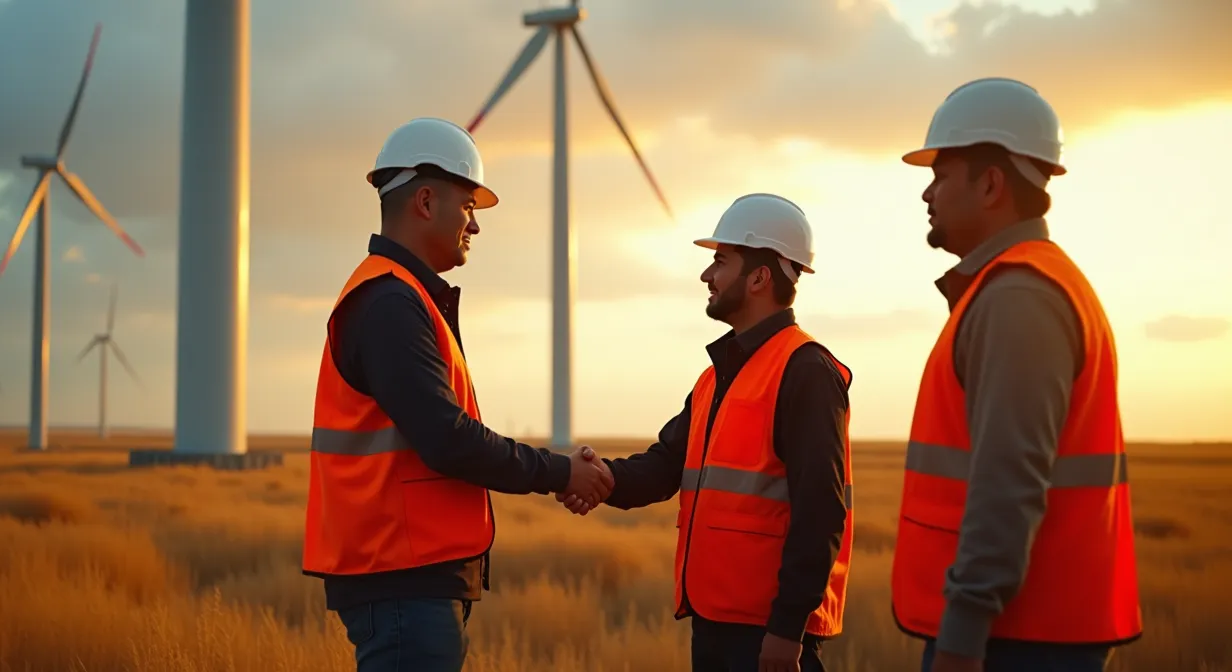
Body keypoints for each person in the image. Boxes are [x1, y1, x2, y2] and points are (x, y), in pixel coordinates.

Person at [302, 116, 616, 672]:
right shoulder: (390, 304)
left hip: (409, 578)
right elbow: (448, 440)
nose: (475, 224)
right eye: (468, 205)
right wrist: (562, 473)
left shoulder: (402, 299)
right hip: (401, 581)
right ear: (425, 201)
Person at [890, 77, 1142, 672]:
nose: (927, 193)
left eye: (941, 174)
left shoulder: (1018, 299)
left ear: (992, 184)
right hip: (1027, 632)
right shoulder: (1023, 286)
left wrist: (961, 636)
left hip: (1017, 639)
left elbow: (1008, 482)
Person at [558, 193, 854, 672]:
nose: (706, 276)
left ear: (759, 276)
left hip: (767, 639)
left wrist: (786, 630)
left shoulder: (806, 371)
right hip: (713, 626)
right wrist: (599, 478)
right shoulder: (717, 376)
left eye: (720, 261)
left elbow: (821, 510)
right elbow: (663, 466)